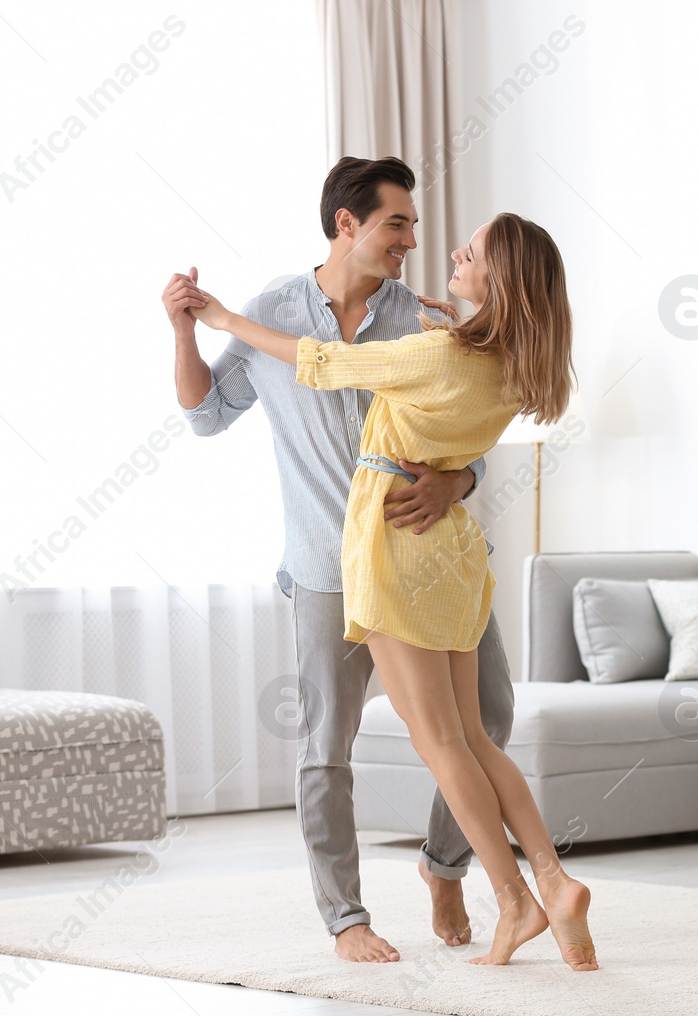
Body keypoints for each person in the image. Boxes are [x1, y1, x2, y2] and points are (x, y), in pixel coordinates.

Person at [176, 212, 598, 970]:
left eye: (466, 255)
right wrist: (460, 334)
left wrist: (221, 317)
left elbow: (319, 363)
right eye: (403, 225)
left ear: (496, 283)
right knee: (470, 736)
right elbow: (212, 411)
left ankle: (512, 901)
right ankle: (554, 880)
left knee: (441, 742)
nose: (440, 254)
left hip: (390, 553)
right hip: (454, 558)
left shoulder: (431, 349)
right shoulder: (510, 366)